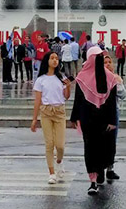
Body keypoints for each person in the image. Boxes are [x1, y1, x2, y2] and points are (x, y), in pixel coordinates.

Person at [70, 46, 119, 195]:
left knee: (103, 148)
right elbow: (78, 99)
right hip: (88, 120)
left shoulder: (110, 78)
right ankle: (92, 180)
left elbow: (112, 102)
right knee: (90, 149)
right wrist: (74, 117)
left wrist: (112, 121)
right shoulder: (82, 78)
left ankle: (100, 171)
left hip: (104, 120)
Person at [31, 51, 70, 184]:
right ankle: (51, 173)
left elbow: (66, 96)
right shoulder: (40, 79)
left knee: (60, 145)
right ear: (47, 60)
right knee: (49, 144)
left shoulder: (61, 77)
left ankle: (59, 161)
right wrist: (34, 119)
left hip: (59, 112)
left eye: (57, 59)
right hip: (46, 112)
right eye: (52, 58)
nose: (55, 60)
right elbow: (37, 100)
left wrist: (68, 86)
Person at [103, 54, 125, 181]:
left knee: (112, 140)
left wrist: (119, 83)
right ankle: (101, 166)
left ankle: (110, 168)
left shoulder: (116, 78)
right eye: (105, 62)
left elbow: (123, 94)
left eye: (109, 62)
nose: (108, 64)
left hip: (114, 112)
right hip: (101, 113)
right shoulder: (98, 78)